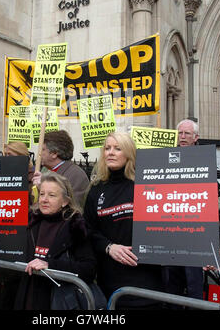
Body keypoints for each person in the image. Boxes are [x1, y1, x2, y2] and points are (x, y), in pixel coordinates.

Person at [84, 131, 164, 310]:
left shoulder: (145, 185)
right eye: (107, 148)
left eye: (117, 148)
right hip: (110, 282)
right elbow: (88, 229)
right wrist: (109, 247)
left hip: (146, 281)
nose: (110, 152)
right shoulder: (97, 189)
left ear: (128, 153)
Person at [14, 171, 97, 310]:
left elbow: (89, 269)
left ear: (65, 201)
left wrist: (50, 265)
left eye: (51, 195)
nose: (44, 199)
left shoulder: (75, 226)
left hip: (57, 300)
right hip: (27, 296)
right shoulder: (30, 221)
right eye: (42, 194)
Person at [163, 119, 205, 307]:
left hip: (195, 232)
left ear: (196, 137)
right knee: (172, 286)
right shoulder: (167, 158)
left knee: (194, 286)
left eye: (187, 134)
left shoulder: (204, 159)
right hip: (172, 230)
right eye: (180, 133)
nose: (182, 137)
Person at [33, 130, 90, 207]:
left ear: (54, 153)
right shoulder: (44, 171)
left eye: (43, 149)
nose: (39, 153)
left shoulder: (76, 175)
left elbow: (73, 208)